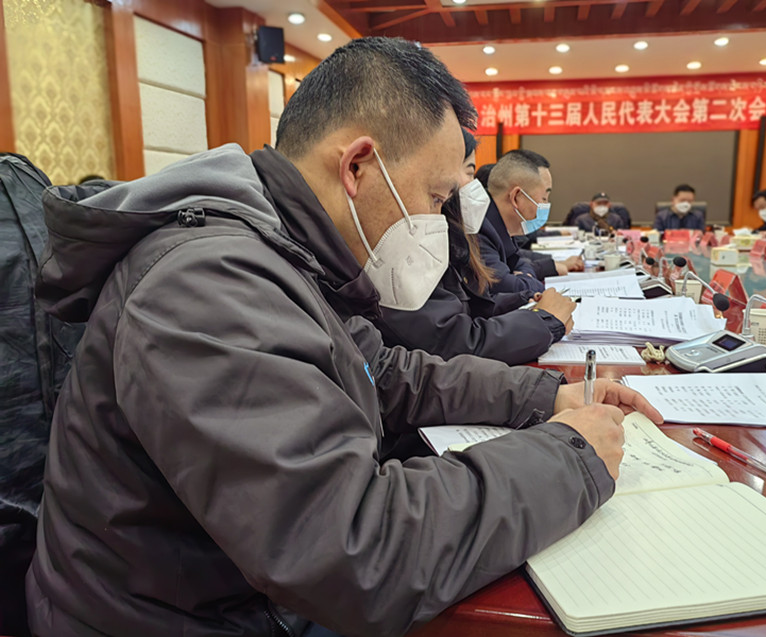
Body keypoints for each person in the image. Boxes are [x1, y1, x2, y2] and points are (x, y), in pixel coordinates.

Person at [27, 37, 661, 637]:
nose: (438, 222)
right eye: (435, 198)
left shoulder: (286, 251)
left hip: (242, 596)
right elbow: (347, 547)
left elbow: (384, 372)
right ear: (358, 165)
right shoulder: (208, 283)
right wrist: (570, 457)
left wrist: (545, 397)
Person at [373, 130, 576, 365]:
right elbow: (454, 343)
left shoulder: (453, 233)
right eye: (469, 172)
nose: (473, 186)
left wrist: (525, 300)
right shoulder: (408, 246)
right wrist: (543, 321)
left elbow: (472, 304)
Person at [478, 150, 582, 294]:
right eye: (544, 198)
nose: (546, 205)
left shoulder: (504, 229)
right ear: (516, 197)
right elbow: (508, 287)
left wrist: (524, 276)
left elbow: (520, 264)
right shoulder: (479, 228)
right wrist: (528, 280)